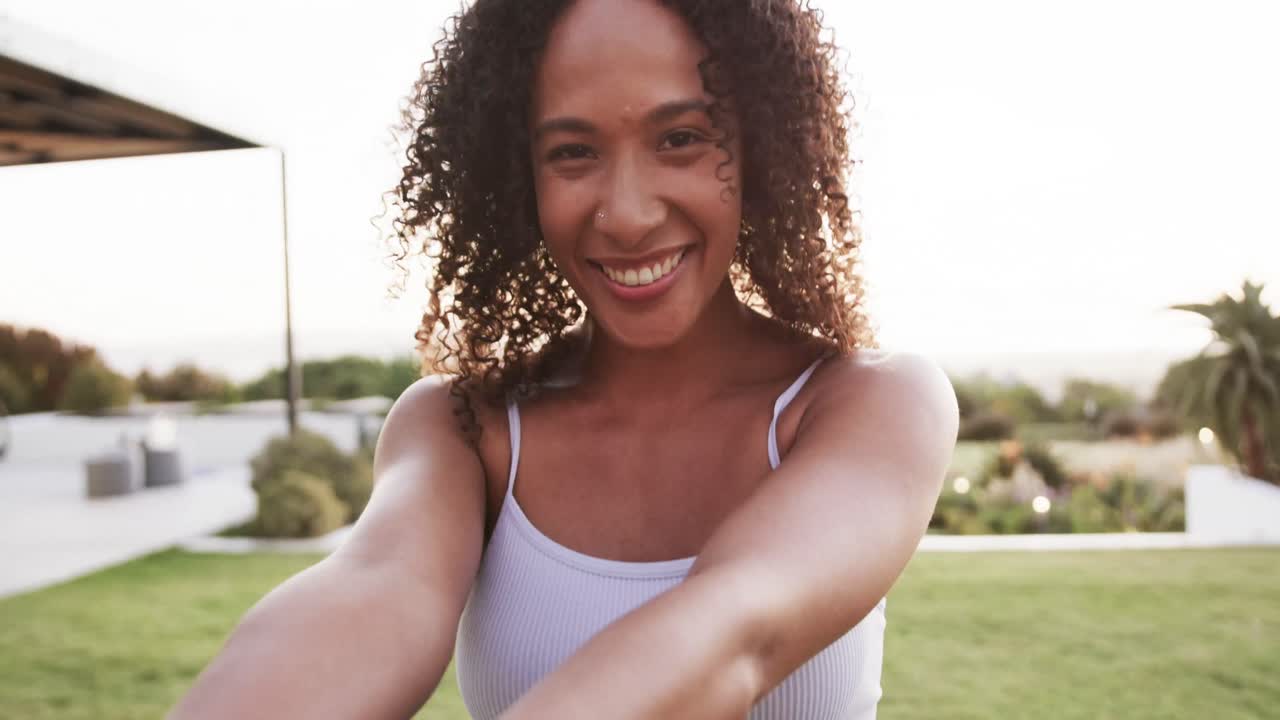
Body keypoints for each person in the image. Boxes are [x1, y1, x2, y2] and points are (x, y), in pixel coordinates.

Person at [170, 0, 958, 718]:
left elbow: (734, 630)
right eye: (573, 152)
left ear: (761, 149)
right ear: (519, 181)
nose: (627, 213)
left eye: (680, 139)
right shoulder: (463, 429)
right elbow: (372, 595)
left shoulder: (873, 403)